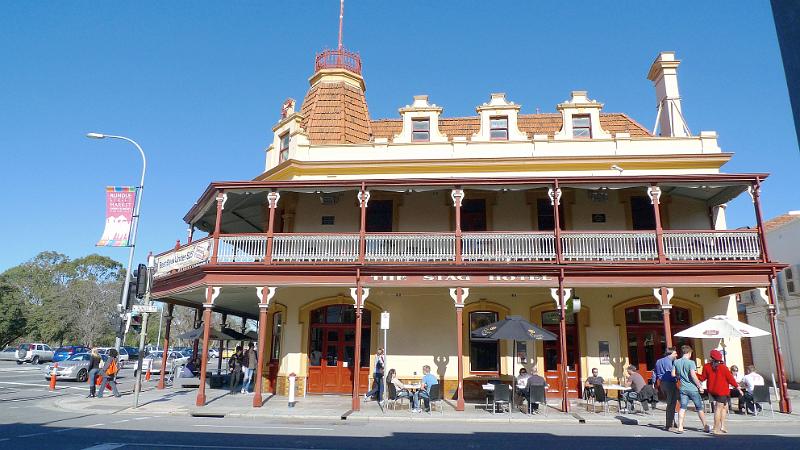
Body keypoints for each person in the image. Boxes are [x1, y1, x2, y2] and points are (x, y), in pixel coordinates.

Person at [697, 349, 742, 435]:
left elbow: (702, 378)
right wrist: (738, 387)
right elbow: (731, 379)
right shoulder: (723, 367)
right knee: (718, 408)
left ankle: (722, 426)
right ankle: (716, 428)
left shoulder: (707, 366)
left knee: (724, 407)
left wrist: (694, 374)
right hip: (722, 391)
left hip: (712, 390)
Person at [672, 345, 709, 433]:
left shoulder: (676, 362)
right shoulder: (691, 362)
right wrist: (700, 386)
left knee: (683, 407)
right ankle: (705, 426)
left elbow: (673, 374)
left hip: (683, 388)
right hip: (692, 388)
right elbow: (693, 375)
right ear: (689, 352)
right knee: (699, 407)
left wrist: (680, 376)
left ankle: (680, 426)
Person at [651, 347, 678, 430]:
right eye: (675, 353)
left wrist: (653, 382)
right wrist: (678, 377)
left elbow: (654, 372)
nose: (676, 355)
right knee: (671, 403)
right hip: (670, 383)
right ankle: (669, 424)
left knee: (670, 403)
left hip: (662, 383)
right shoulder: (669, 362)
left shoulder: (659, 361)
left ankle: (672, 422)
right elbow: (671, 372)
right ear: (670, 354)